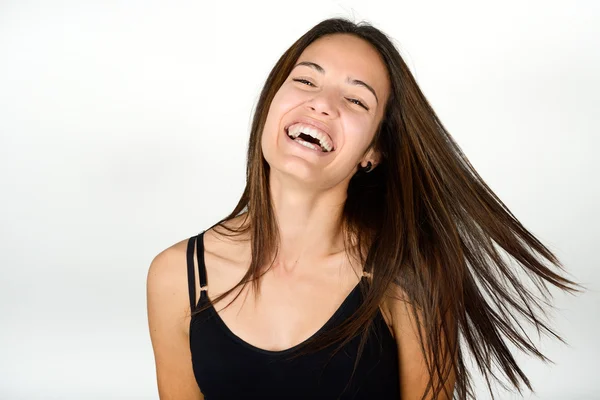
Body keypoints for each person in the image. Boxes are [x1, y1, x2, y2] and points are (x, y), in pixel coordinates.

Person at [146, 17, 583, 400]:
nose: (321, 103)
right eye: (305, 80)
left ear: (372, 152)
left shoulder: (407, 275)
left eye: (356, 100)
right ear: (270, 104)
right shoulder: (176, 277)